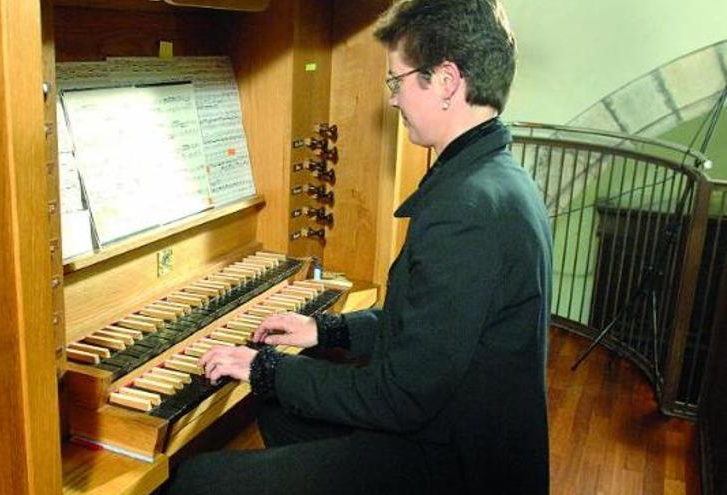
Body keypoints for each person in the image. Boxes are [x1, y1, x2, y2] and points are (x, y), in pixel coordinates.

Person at [166, 0, 552, 493]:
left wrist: (265, 366)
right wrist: (323, 331)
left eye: (398, 80)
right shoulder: (495, 177)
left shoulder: (467, 210)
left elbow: (400, 395)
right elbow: (424, 329)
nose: (392, 99)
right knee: (280, 408)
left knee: (199, 481)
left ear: (446, 81)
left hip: (452, 466)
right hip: (456, 434)